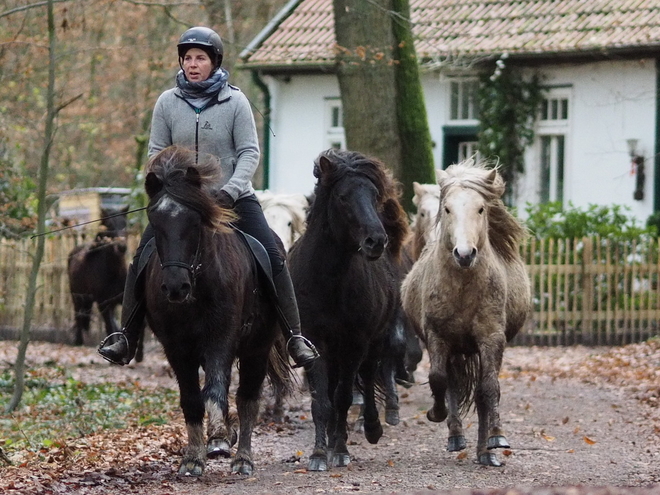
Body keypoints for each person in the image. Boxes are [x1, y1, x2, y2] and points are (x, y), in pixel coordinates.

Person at [98, 26, 318, 369]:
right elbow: (157, 152)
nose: (193, 64)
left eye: (200, 58)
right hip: (181, 205)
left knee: (272, 254)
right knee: (141, 258)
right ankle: (126, 335)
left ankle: (293, 336)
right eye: (187, 58)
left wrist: (231, 189)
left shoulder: (236, 101)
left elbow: (249, 152)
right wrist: (167, 190)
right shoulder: (167, 103)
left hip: (233, 198)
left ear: (214, 62)